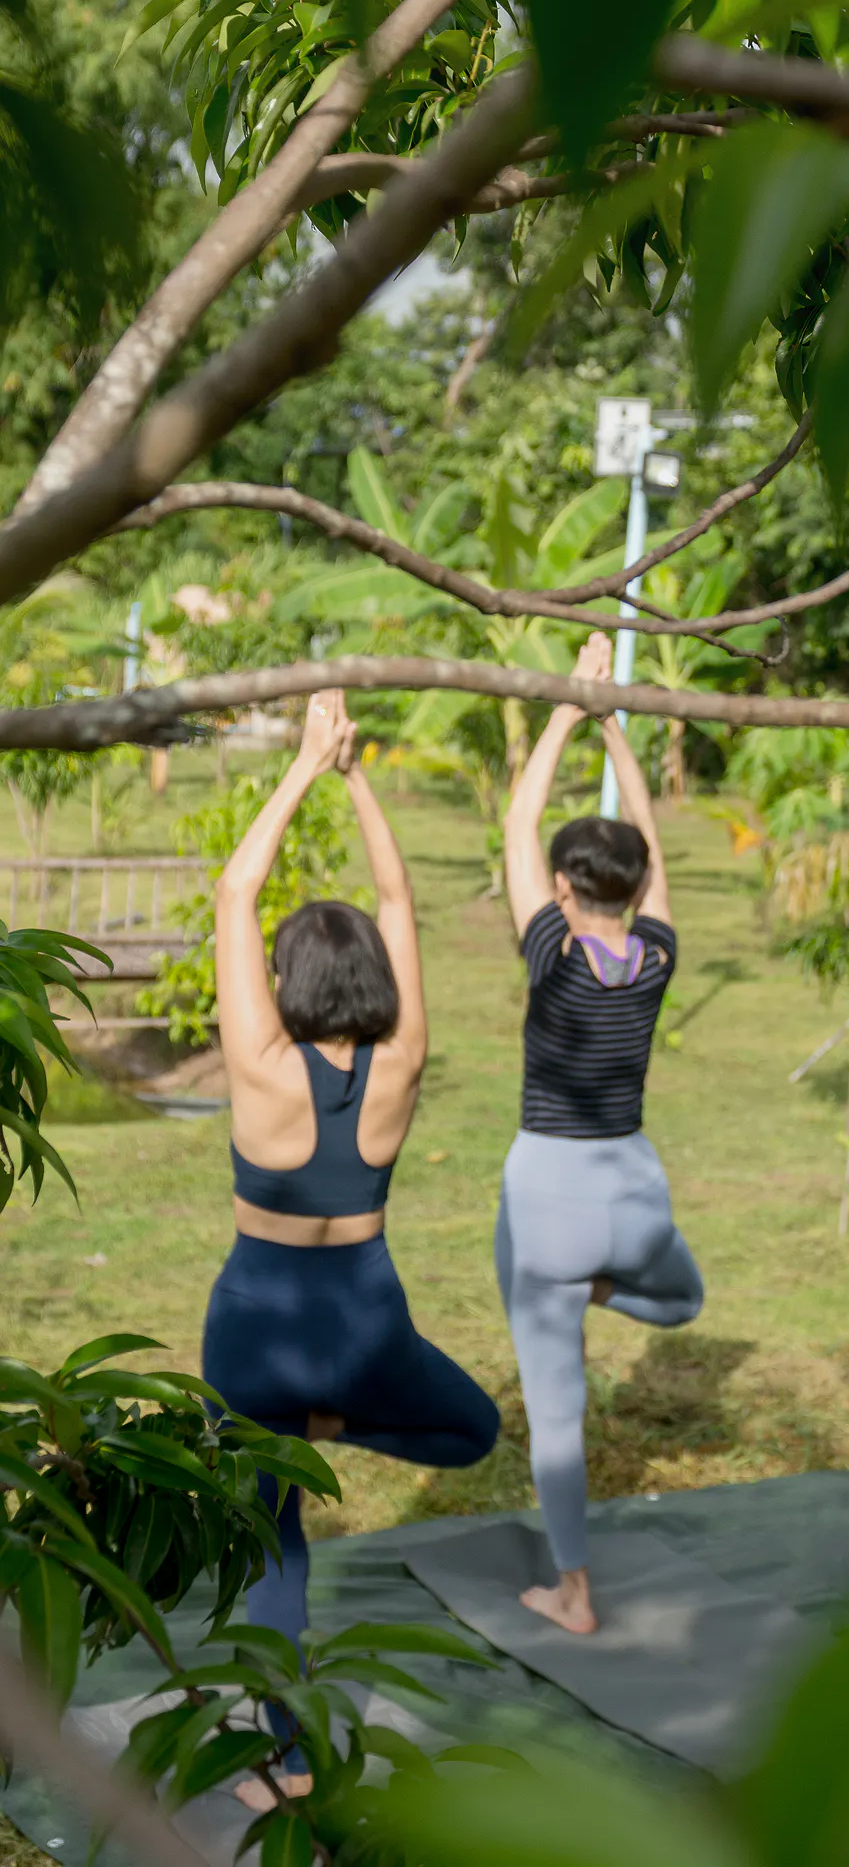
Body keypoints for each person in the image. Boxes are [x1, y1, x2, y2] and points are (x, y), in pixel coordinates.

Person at [202, 691, 499, 1804]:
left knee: (276, 1546)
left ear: (288, 983)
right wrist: (355, 771)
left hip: (255, 1325)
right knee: (474, 1430)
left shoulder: (261, 1066)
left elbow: (237, 889)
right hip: (369, 1321)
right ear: (369, 978)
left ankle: (278, 1763)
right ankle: (337, 1421)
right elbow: (395, 896)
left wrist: (300, 763)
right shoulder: (404, 1056)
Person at [499, 632, 704, 1635]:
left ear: (566, 890)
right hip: (634, 1191)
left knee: (558, 1412)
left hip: (547, 1195)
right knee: (688, 1295)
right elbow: (651, 840)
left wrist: (561, 707)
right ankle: (607, 1286)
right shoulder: (655, 957)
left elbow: (520, 816)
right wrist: (613, 717)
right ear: (633, 887)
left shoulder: (551, 953)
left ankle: (571, 1587)